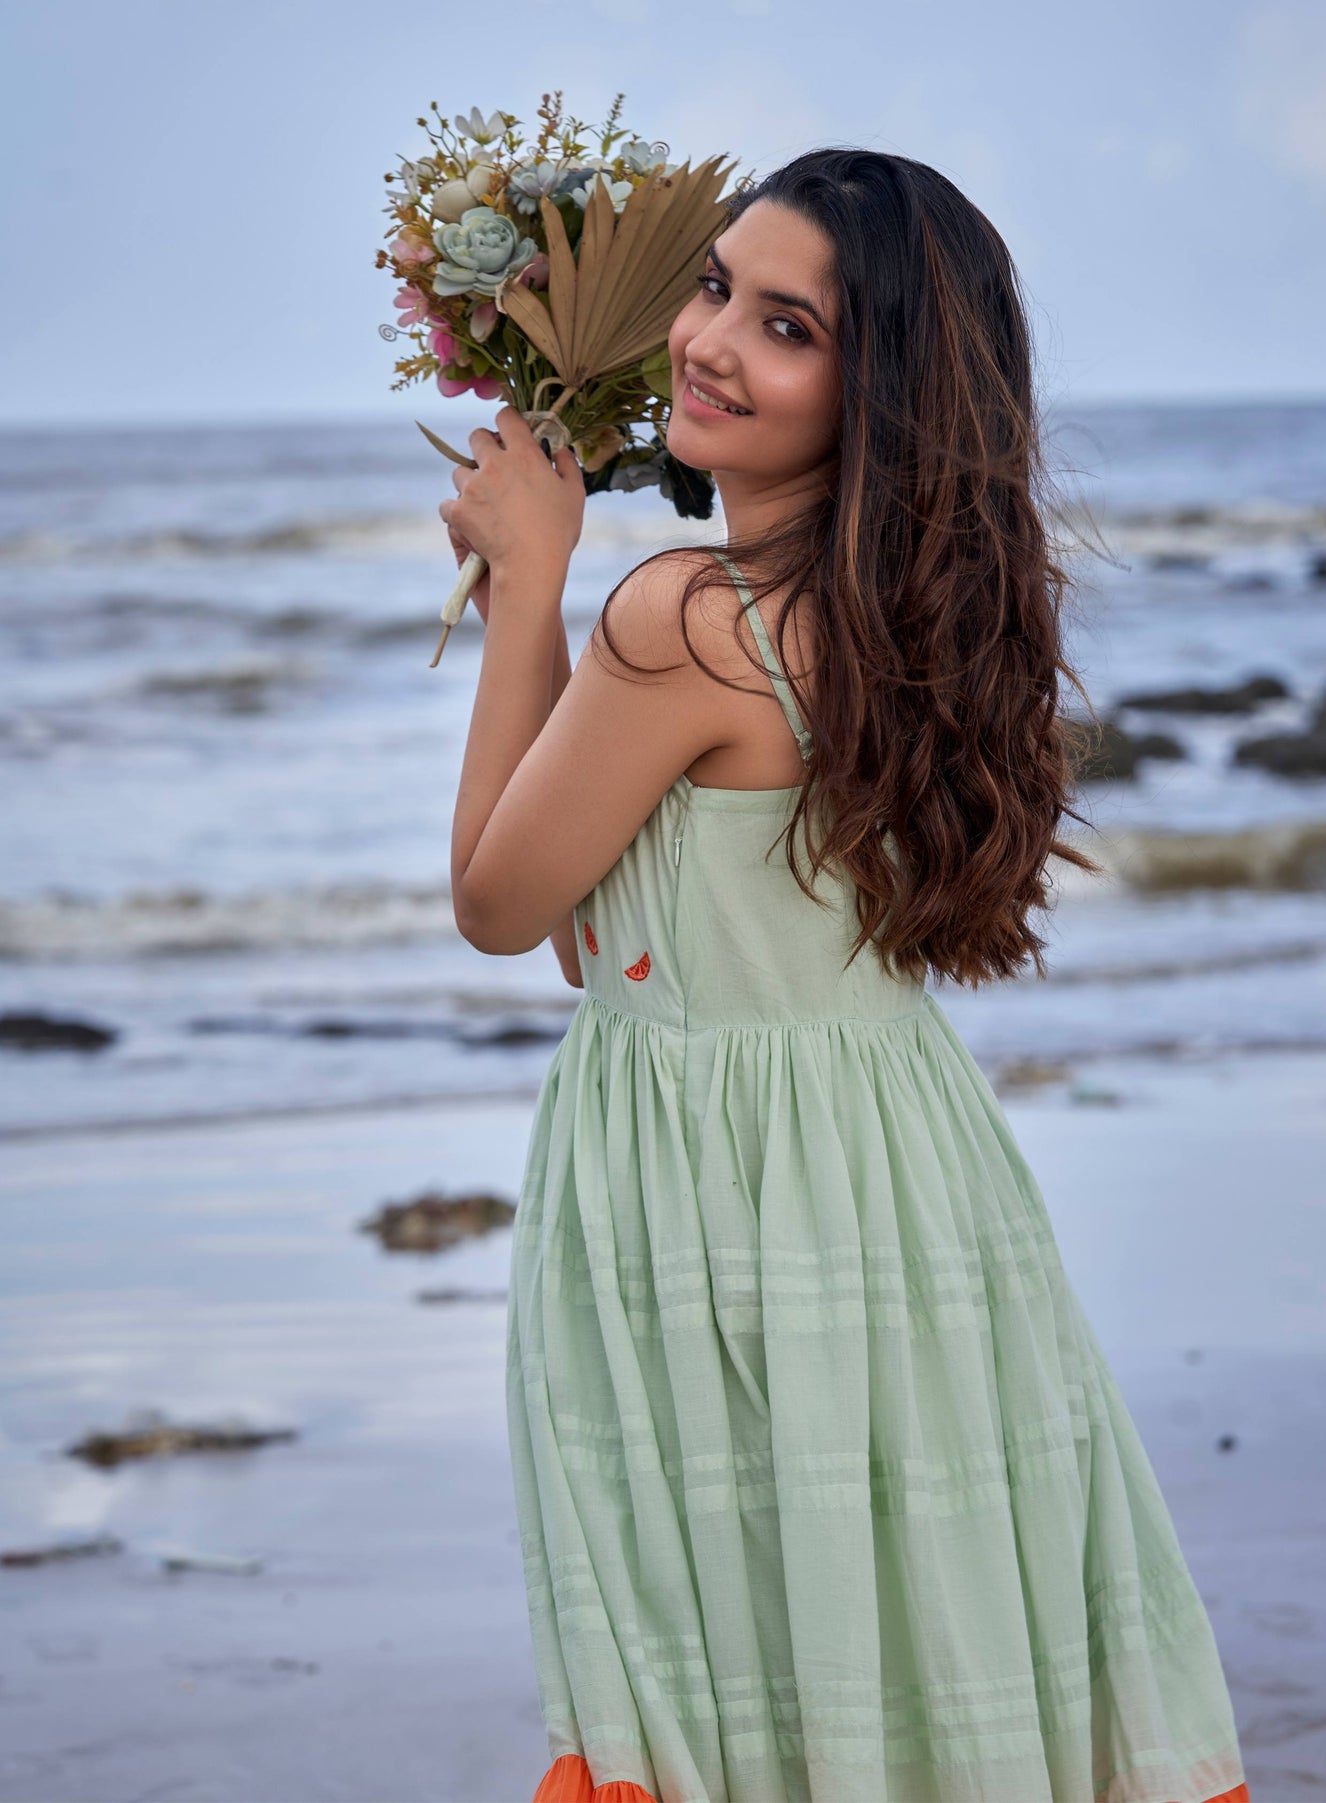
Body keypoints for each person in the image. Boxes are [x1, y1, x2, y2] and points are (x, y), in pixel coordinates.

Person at [440, 147, 1251, 1803]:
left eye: (787, 324)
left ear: (877, 390)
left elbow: (504, 907)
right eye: (716, 283)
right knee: (905, 1609)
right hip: (898, 1180)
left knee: (745, 1634)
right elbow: (628, 941)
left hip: (717, 1204)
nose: (710, 339)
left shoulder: (681, 618)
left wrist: (532, 578)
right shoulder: (902, 617)